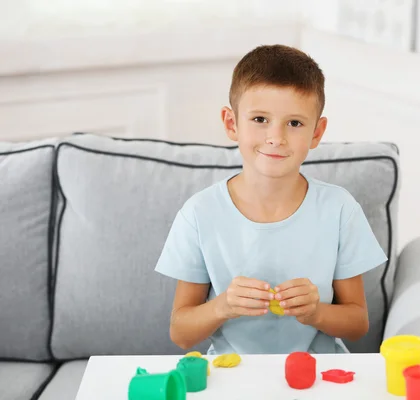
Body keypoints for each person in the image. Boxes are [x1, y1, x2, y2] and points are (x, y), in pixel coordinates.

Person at [155, 44, 387, 355]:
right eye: (260, 119)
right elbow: (181, 333)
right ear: (231, 123)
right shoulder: (200, 214)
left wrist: (316, 311)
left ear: (317, 133)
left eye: (294, 123)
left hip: (318, 375)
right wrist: (223, 305)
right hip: (234, 376)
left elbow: (357, 324)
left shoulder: (340, 210)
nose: (275, 137)